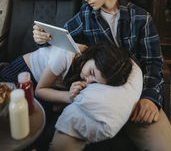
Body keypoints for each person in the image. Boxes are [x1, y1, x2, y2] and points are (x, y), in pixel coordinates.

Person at [33, 0, 171, 151]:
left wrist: (150, 99)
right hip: (97, 91)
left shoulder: (141, 19)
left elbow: (154, 65)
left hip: (133, 91)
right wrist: (43, 37)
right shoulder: (86, 15)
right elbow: (62, 36)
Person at [0, 42, 132, 105]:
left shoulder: (88, 69)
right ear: (93, 55)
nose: (89, 80)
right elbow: (39, 91)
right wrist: (69, 96)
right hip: (21, 74)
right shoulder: (65, 55)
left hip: (44, 84)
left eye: (96, 82)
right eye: (91, 72)